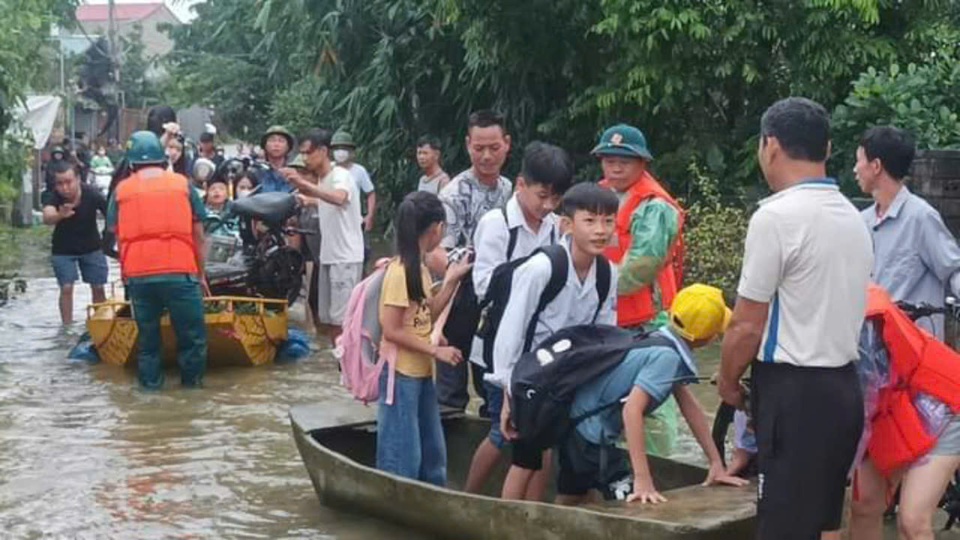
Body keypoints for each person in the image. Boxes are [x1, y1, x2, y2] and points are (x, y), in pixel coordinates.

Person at [717, 97, 873, 540]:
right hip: (844, 389)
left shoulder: (777, 216)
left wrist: (728, 383)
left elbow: (747, 323)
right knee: (822, 527)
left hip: (794, 393)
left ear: (770, 146)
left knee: (782, 528)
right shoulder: (853, 217)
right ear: (826, 148)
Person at [849, 126, 960, 540]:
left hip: (920, 379)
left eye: (860, 159)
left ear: (876, 166)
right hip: (877, 384)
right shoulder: (857, 223)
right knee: (863, 506)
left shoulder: (921, 218)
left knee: (914, 521)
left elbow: (953, 270)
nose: (855, 168)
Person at [556, 284, 747, 506]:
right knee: (634, 501)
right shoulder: (666, 358)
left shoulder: (661, 338)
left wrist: (715, 463)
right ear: (707, 337)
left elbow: (689, 406)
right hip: (591, 437)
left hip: (576, 425)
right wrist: (643, 480)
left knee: (573, 496)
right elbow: (632, 410)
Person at [487, 182, 620, 501]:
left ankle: (534, 520)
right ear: (567, 225)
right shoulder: (542, 268)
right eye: (590, 221)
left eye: (608, 221)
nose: (600, 230)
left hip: (567, 376)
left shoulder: (608, 273)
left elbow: (603, 336)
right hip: (529, 377)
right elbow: (511, 331)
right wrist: (508, 392)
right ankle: (506, 525)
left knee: (548, 454)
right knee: (525, 460)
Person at [463, 141, 572, 494]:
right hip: (499, 345)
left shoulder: (556, 227)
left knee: (544, 433)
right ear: (521, 185)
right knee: (501, 429)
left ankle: (534, 508)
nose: (548, 206)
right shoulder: (496, 225)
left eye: (555, 199)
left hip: (541, 350)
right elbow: (482, 285)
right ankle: (469, 496)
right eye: (542, 196)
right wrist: (533, 273)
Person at [375, 191, 472, 485]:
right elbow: (391, 330)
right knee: (403, 459)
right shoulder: (400, 271)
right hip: (401, 373)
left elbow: (425, 314)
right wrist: (435, 351)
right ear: (437, 228)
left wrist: (452, 280)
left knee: (433, 455)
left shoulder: (420, 268)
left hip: (420, 373)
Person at [107, 131, 209, 389]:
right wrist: (201, 273)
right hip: (180, 273)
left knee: (148, 341)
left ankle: (150, 391)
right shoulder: (183, 185)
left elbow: (113, 231)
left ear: (131, 162)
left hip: (139, 277)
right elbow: (199, 233)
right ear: (163, 158)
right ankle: (192, 391)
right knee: (192, 338)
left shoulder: (121, 190)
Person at [436, 109, 513, 413]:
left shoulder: (510, 191)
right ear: (468, 145)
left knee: (493, 383)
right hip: (460, 294)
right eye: (479, 148)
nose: (486, 156)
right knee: (451, 389)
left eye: (494, 148)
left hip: (498, 299)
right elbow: (437, 253)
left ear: (507, 144)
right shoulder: (454, 193)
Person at [593, 123, 684, 330]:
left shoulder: (655, 206)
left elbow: (642, 266)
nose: (616, 168)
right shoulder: (599, 194)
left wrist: (589, 289)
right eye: (609, 161)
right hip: (609, 313)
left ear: (642, 163)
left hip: (647, 318)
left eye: (624, 162)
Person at [283, 129, 364, 343]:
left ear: (323, 151)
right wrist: (308, 200)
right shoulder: (323, 179)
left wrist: (305, 185)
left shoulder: (340, 175)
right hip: (329, 256)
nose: (305, 158)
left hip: (345, 257)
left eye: (308, 153)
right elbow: (331, 203)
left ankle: (350, 371)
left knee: (343, 323)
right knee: (328, 322)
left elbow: (339, 198)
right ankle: (340, 368)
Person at [41, 162, 109, 324]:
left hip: (92, 247)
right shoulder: (53, 196)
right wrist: (60, 215)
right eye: (60, 184)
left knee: (98, 287)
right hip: (63, 250)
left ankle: (101, 323)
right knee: (66, 288)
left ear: (78, 179)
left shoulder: (92, 194)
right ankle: (67, 327)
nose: (65, 188)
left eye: (68, 182)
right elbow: (47, 217)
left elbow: (111, 214)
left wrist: (111, 236)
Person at [331, 131, 377, 233]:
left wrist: (370, 216)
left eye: (344, 148)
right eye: (337, 149)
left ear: (351, 151)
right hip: (331, 219)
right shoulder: (328, 169)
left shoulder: (359, 171)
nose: (340, 152)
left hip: (354, 220)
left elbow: (371, 193)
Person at [257, 125, 296, 193]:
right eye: (272, 140)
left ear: (288, 147)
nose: (276, 144)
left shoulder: (295, 172)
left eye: (281, 141)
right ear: (265, 145)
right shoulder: (256, 171)